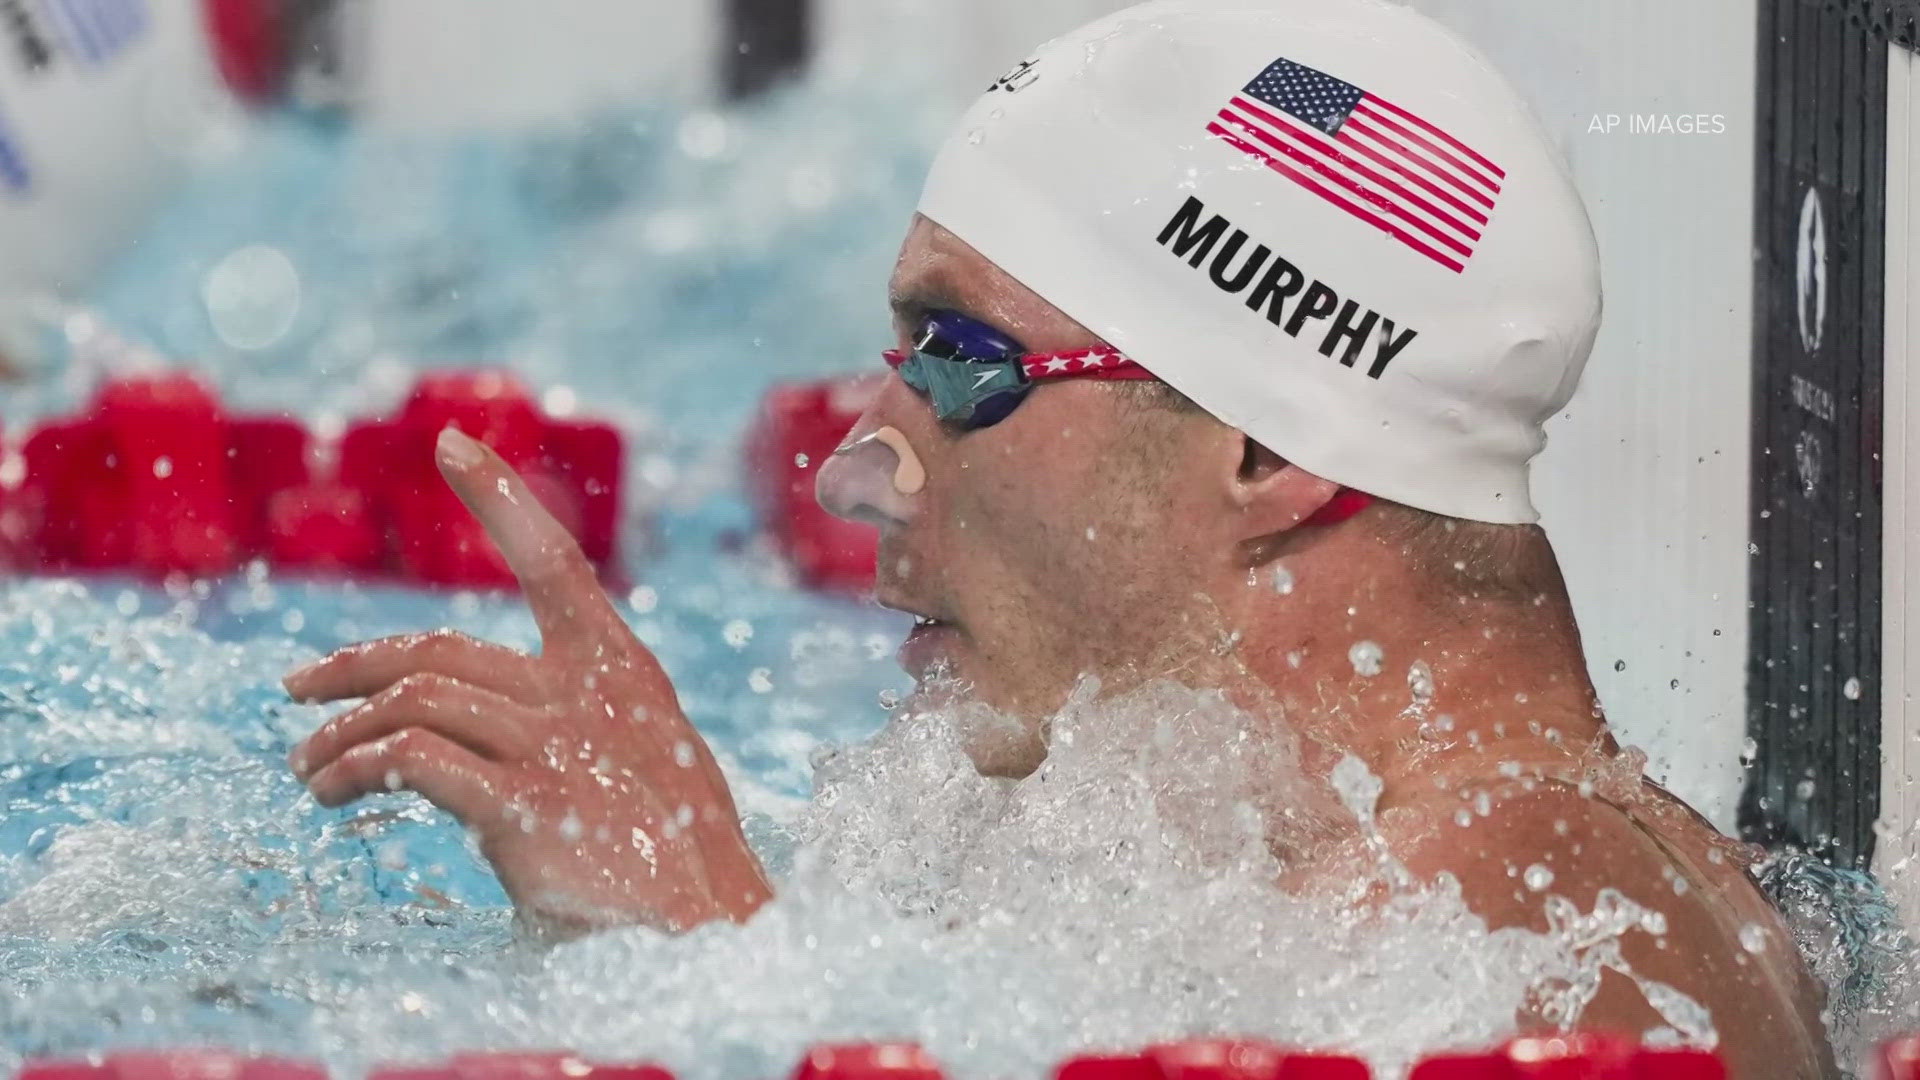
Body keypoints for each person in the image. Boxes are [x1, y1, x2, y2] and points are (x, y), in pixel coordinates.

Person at [281, 0, 1837, 1074]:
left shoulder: (1550, 936)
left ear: (1271, 449)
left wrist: (719, 951)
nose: (858, 469)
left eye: (960, 361)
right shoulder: (1326, 863)